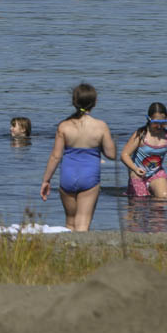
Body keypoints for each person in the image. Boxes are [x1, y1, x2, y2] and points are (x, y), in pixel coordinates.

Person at [39, 83, 117, 231]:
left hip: (67, 176)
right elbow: (111, 154)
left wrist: (46, 180)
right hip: (89, 176)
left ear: (74, 101)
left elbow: (55, 156)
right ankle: (82, 251)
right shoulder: (100, 126)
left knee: (70, 223)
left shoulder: (64, 126)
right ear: (94, 102)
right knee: (82, 224)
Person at [121, 102, 167, 199]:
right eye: (156, 123)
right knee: (140, 202)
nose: (159, 126)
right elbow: (124, 155)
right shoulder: (140, 135)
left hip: (157, 173)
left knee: (163, 197)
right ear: (149, 119)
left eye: (163, 123)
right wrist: (134, 169)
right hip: (138, 174)